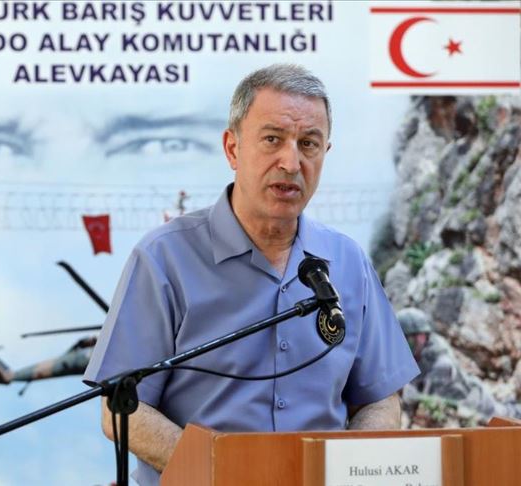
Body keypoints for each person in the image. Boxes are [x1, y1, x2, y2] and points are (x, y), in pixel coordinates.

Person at [82, 64, 420, 485]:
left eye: (309, 144)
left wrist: (352, 473)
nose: (291, 162)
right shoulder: (164, 258)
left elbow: (379, 398)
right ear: (232, 149)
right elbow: (122, 410)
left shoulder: (348, 262)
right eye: (272, 139)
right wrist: (221, 473)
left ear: (325, 153)